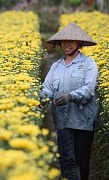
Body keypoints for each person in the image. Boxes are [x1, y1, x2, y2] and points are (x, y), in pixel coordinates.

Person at [39, 22, 99, 180]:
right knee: (65, 158)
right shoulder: (56, 66)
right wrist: (43, 98)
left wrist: (70, 96)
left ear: (79, 43)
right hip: (63, 119)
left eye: (71, 41)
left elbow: (89, 89)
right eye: (64, 41)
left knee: (82, 160)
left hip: (83, 119)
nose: (67, 44)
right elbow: (48, 87)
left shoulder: (88, 64)